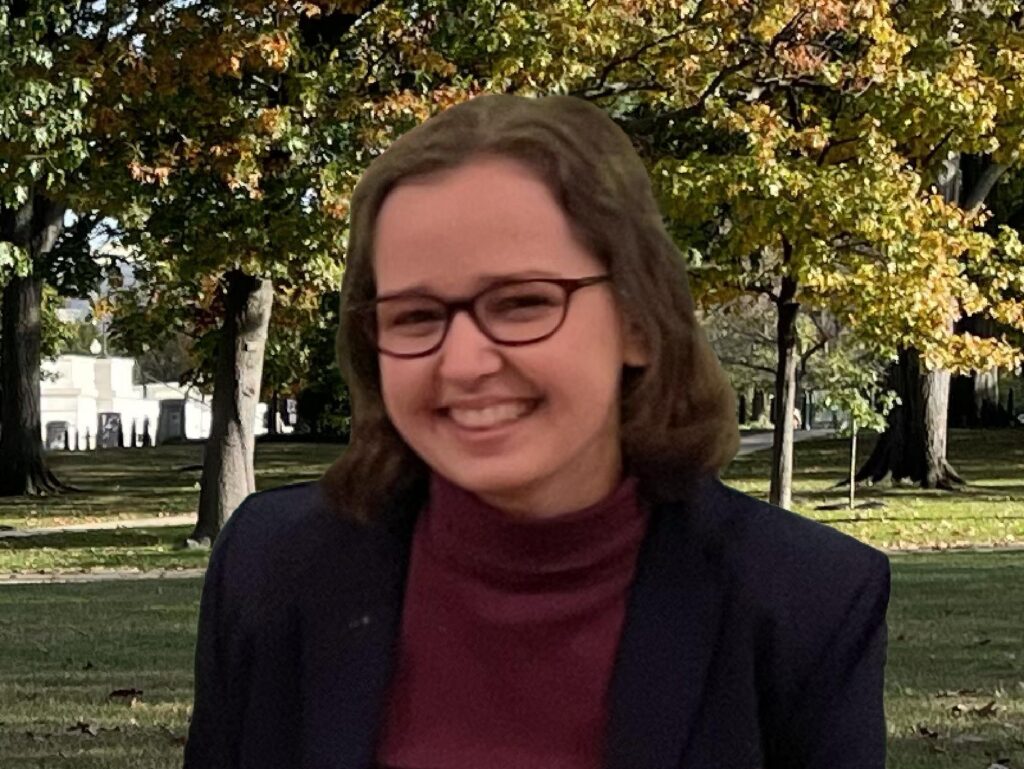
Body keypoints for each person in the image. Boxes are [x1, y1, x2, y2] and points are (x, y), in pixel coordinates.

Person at [184, 93, 890, 769]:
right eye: (415, 316)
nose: (461, 363)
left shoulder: (803, 604)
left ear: (637, 322)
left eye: (522, 303)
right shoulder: (272, 569)